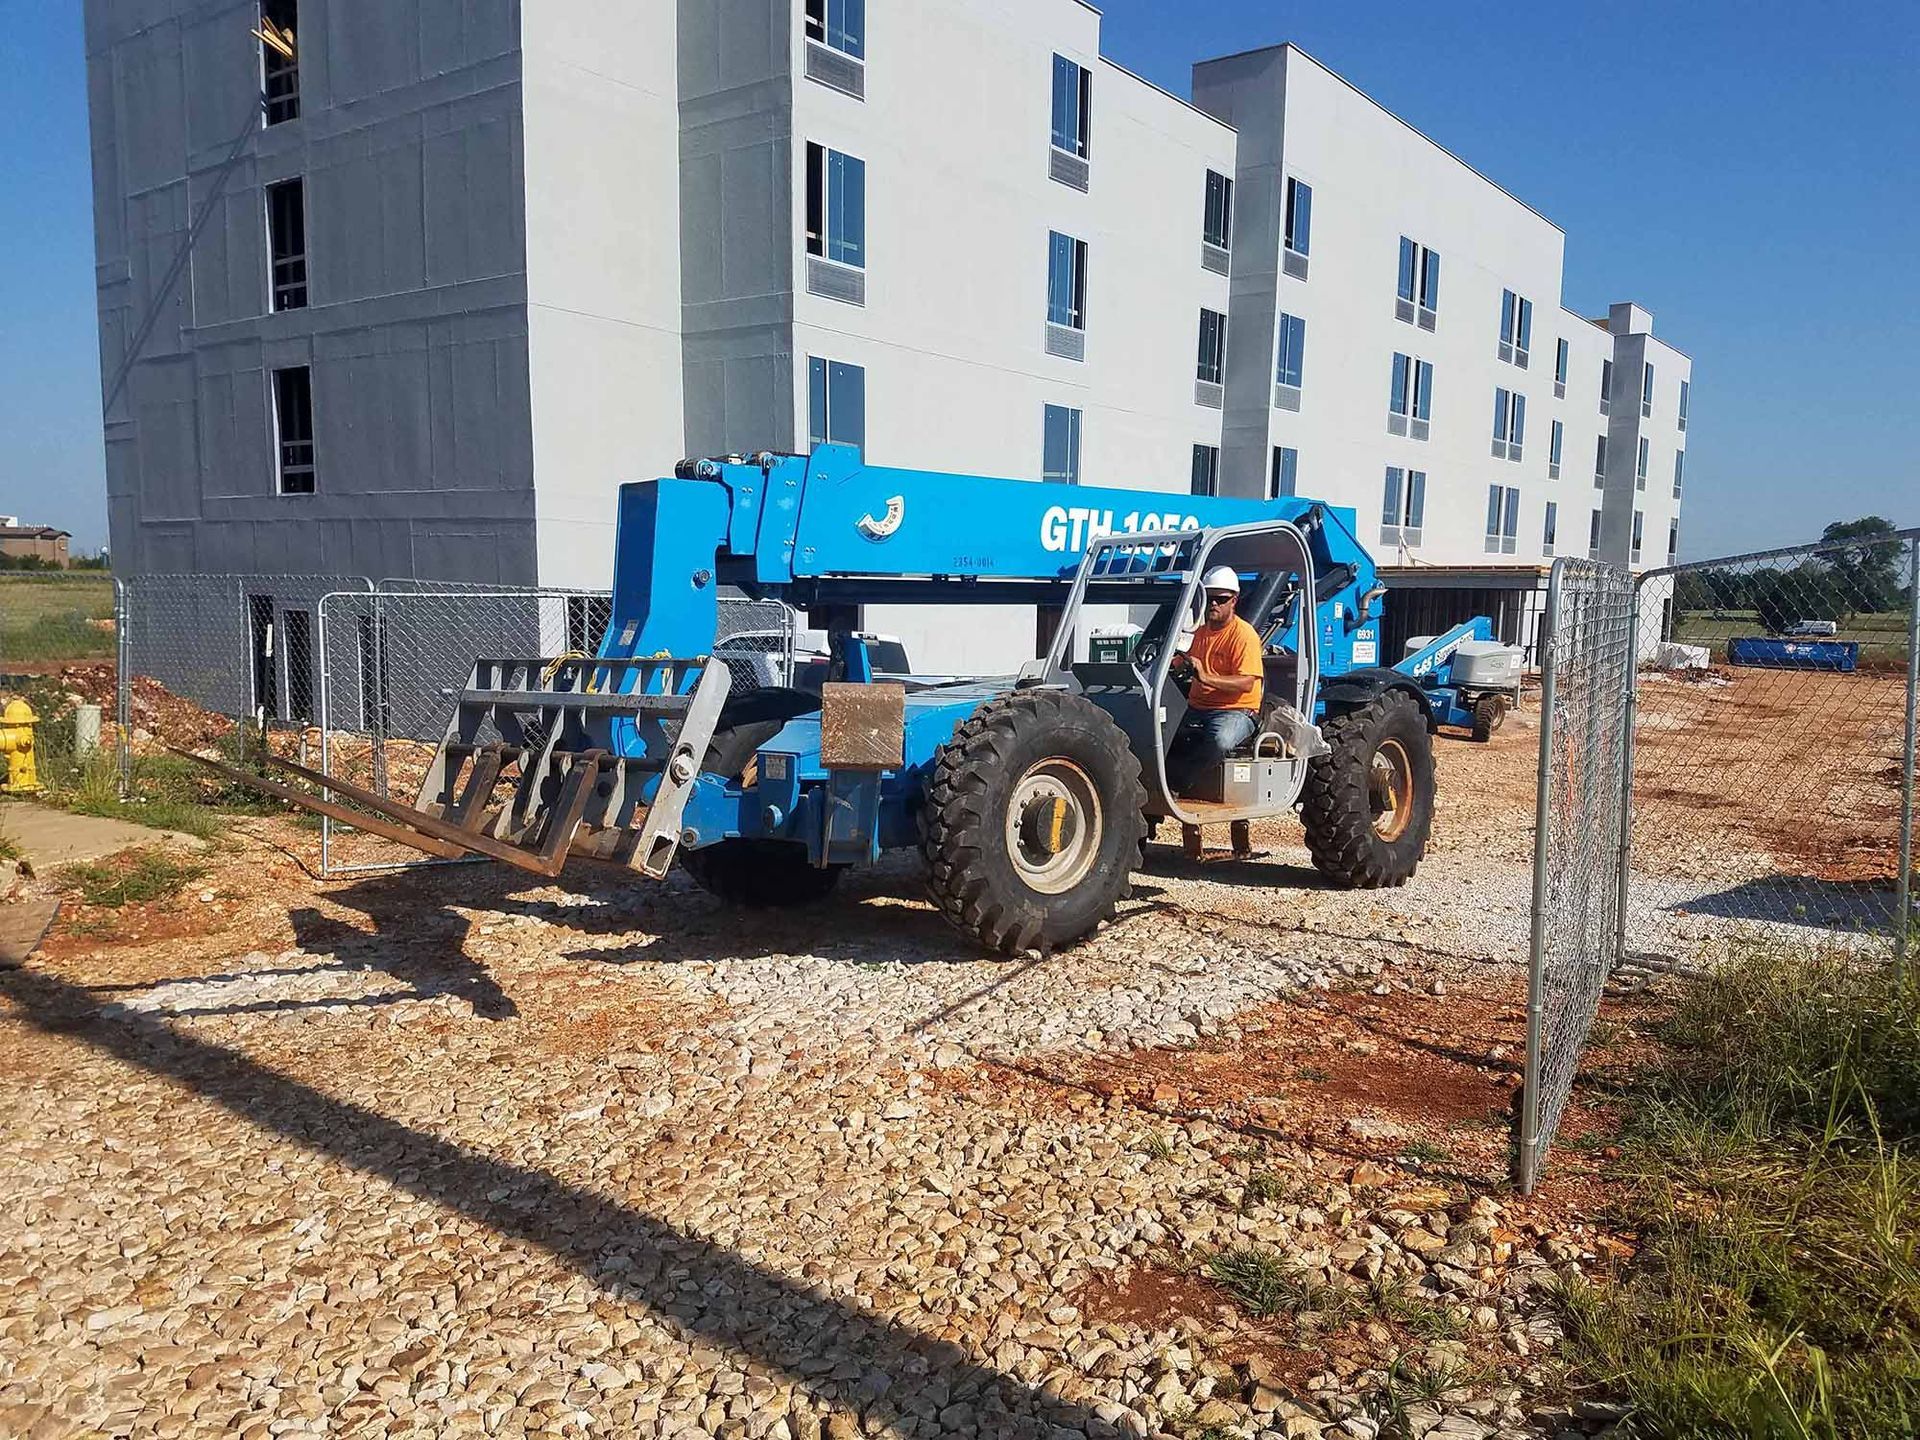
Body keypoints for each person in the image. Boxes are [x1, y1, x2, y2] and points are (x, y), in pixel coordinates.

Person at [1165, 566, 1265, 798]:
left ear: (1234, 601)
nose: (1214, 604)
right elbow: (1182, 662)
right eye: (1209, 598)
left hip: (1236, 711)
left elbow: (1246, 683)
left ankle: (1182, 783)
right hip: (1197, 708)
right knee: (1161, 729)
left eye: (1221, 599)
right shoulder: (1199, 633)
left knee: (1220, 739)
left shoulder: (1244, 635)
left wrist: (1205, 677)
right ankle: (1163, 781)